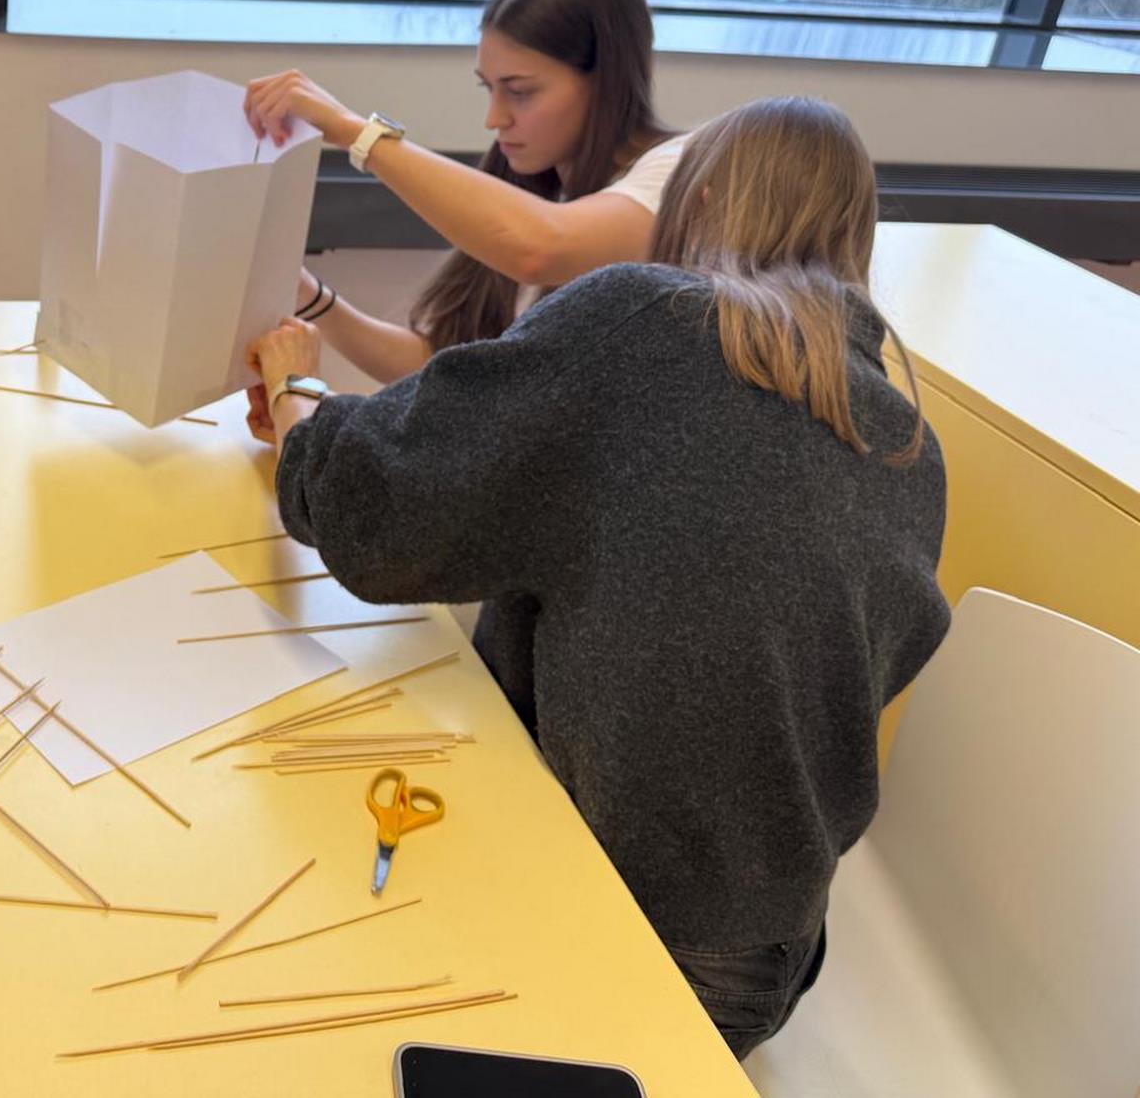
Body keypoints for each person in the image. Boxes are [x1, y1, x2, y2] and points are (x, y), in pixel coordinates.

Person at [248, 96, 951, 1057]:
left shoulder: (643, 319)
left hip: (631, 936)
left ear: (698, 203)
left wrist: (296, 393)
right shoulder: (910, 444)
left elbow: (373, 517)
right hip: (771, 957)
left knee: (306, 969)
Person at [244, 0, 686, 383]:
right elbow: (444, 369)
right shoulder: (535, 185)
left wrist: (353, 131)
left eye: (520, 92)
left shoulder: (680, 169)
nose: (495, 118)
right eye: (489, 89)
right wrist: (309, 295)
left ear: (605, 81)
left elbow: (542, 249)